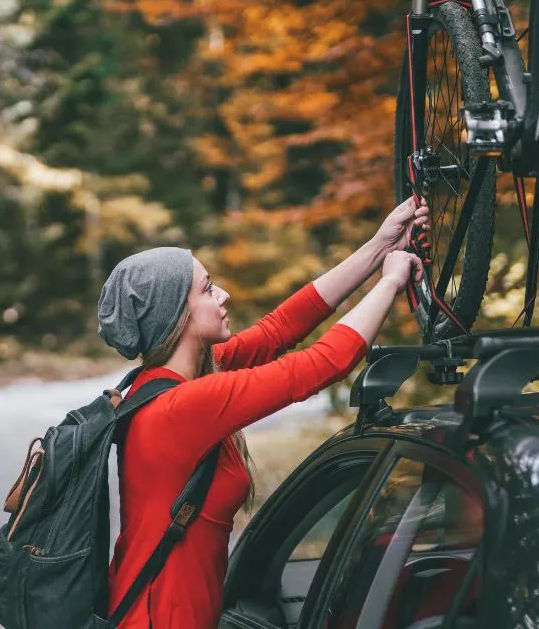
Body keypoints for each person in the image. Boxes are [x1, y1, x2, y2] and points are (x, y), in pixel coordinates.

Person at [96, 197, 429, 629]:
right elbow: (321, 364)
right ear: (177, 315)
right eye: (207, 288)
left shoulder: (178, 381)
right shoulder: (182, 407)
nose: (224, 294)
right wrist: (389, 284)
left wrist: (379, 247)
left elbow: (279, 329)